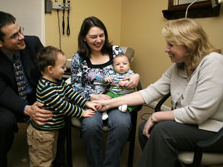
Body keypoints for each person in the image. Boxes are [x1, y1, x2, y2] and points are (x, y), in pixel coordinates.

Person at [95, 18, 223, 167]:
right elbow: (149, 92)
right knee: (144, 129)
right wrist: (109, 103)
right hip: (193, 125)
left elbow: (198, 113)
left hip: (215, 130)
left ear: (189, 44)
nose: (166, 49)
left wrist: (157, 115)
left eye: (171, 44)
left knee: (163, 130)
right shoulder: (179, 67)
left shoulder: (213, 62)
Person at [0, 11, 61, 167]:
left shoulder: (33, 43)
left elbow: (49, 69)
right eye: (14, 36)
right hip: (11, 99)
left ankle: (59, 160)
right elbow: (2, 92)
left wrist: (51, 96)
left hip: (38, 94)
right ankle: (0, 161)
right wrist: (27, 109)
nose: (21, 37)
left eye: (20, 30)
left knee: (58, 111)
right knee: (3, 123)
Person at [71, 16, 140, 167]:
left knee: (122, 125)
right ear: (84, 38)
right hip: (91, 102)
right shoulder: (78, 57)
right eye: (93, 37)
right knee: (90, 127)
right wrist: (92, 96)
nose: (98, 40)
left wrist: (136, 76)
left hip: (117, 98)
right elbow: (75, 86)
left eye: (101, 35)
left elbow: (127, 70)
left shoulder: (115, 51)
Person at [27, 46, 97, 167]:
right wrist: (82, 112)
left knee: (50, 156)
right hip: (42, 134)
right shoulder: (46, 87)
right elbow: (63, 105)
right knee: (41, 161)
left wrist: (86, 102)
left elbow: (71, 93)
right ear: (50, 69)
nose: (65, 69)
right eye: (62, 67)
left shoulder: (58, 81)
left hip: (52, 130)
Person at [102, 54, 136, 120]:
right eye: (117, 64)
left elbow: (133, 83)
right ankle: (104, 113)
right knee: (104, 100)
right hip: (113, 93)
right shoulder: (111, 73)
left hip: (126, 94)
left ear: (129, 65)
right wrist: (105, 80)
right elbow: (104, 82)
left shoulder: (130, 73)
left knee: (135, 101)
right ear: (114, 67)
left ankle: (124, 106)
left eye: (124, 64)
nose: (121, 66)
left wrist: (126, 83)